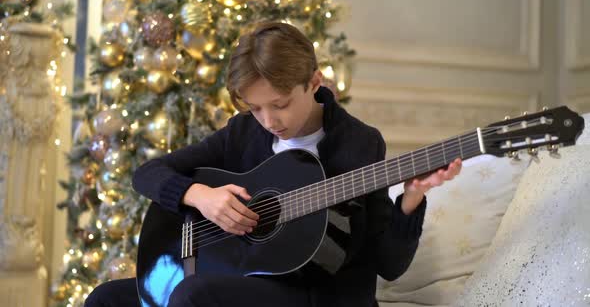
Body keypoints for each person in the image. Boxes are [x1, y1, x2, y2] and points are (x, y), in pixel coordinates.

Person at [85, 21, 462, 307]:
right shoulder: (245, 133)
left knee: (194, 294)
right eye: (255, 107)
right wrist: (200, 196)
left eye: (279, 104)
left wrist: (412, 198)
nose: (268, 120)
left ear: (314, 82)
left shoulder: (359, 143)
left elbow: (389, 265)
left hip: (318, 294)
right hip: (238, 278)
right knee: (105, 299)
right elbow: (147, 174)